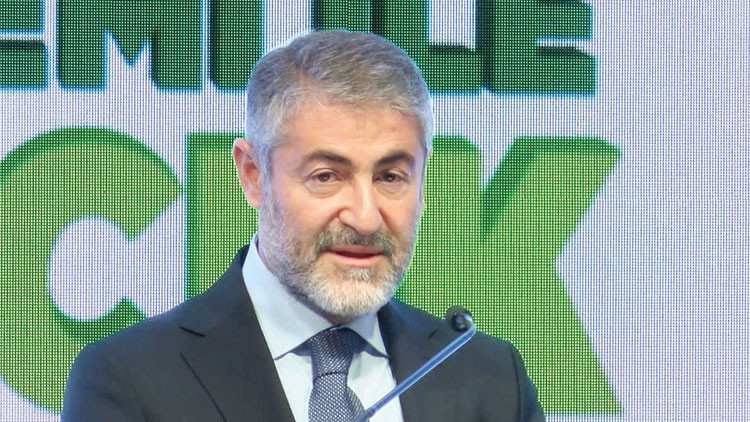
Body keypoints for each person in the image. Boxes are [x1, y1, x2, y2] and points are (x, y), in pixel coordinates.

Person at [62, 30, 544, 421]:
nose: (364, 217)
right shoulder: (132, 379)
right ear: (254, 176)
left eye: (390, 177)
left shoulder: (489, 380)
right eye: (326, 177)